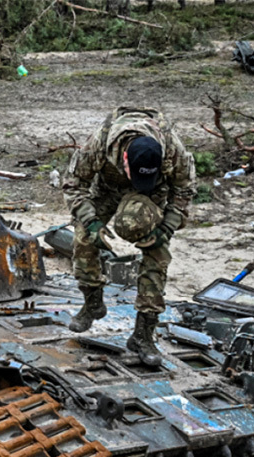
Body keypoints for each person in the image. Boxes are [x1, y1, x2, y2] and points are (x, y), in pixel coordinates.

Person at [62, 107, 195, 366]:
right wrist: (90, 221)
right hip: (106, 188)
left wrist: (166, 227)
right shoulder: (99, 143)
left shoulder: (172, 147)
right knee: (83, 239)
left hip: (152, 193)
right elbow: (73, 183)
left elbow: (184, 190)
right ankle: (93, 303)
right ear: (124, 159)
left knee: (157, 255)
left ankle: (144, 334)